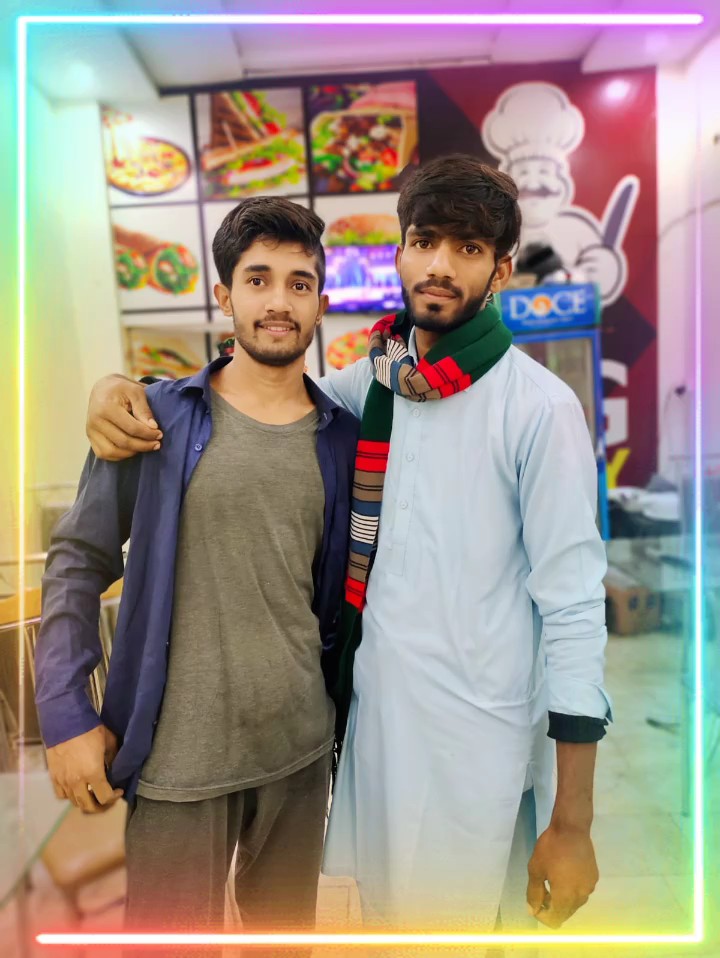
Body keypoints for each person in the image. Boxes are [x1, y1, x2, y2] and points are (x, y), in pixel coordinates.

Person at [84, 155, 612, 937]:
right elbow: (256, 398)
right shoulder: (367, 385)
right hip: (373, 738)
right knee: (375, 929)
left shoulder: (539, 409)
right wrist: (120, 389)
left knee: (467, 932)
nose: (439, 265)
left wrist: (573, 822)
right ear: (399, 252)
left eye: (468, 248)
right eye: (425, 241)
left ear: (501, 270)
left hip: (477, 744)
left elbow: (572, 611)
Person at [35, 197, 359, 949]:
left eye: (300, 284)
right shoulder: (153, 419)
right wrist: (65, 713)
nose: (279, 302)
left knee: (284, 942)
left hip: (300, 754)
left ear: (320, 303)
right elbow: (77, 561)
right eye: (258, 279)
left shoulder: (342, 437)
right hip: (177, 762)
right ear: (224, 296)